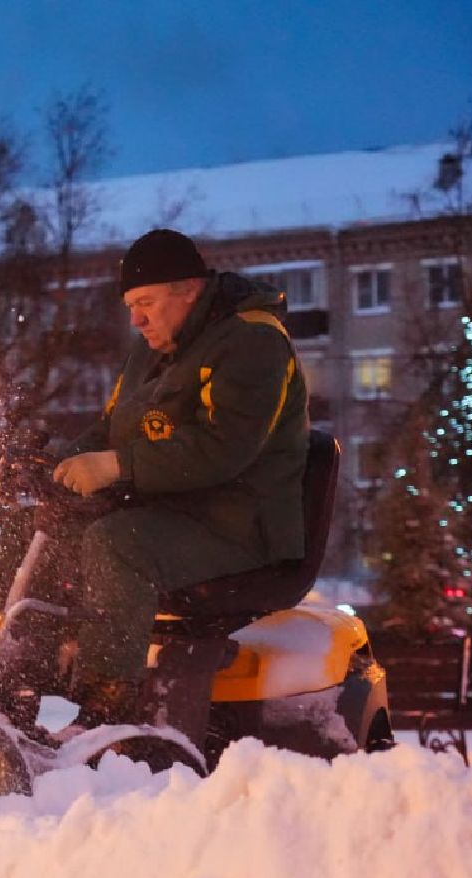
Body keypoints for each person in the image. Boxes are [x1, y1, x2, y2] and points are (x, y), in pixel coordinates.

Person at [51, 228, 310, 733]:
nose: (136, 318)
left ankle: (105, 713)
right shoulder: (154, 349)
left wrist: (117, 467)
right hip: (172, 513)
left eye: (146, 301)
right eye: (130, 305)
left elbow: (223, 449)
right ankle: (9, 692)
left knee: (116, 545)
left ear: (189, 290)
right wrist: (54, 469)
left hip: (239, 526)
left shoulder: (253, 340)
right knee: (39, 529)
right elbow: (110, 428)